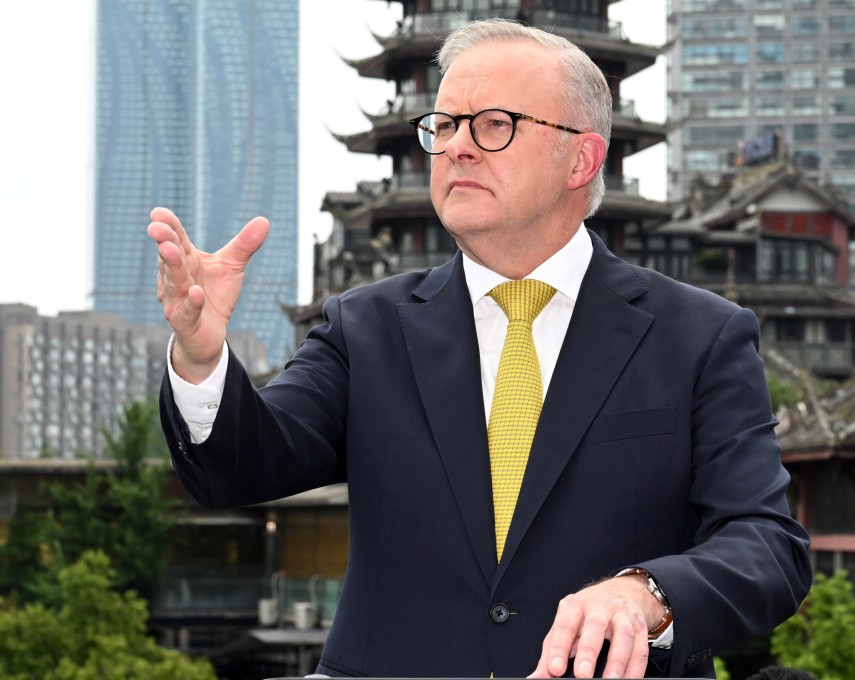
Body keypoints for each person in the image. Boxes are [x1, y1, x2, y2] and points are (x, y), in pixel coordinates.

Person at [149, 18, 811, 679]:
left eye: (493, 125)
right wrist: (204, 359)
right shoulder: (368, 328)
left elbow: (767, 548)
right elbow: (242, 466)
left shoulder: (699, 337)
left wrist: (650, 593)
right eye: (445, 124)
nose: (458, 147)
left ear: (579, 158)